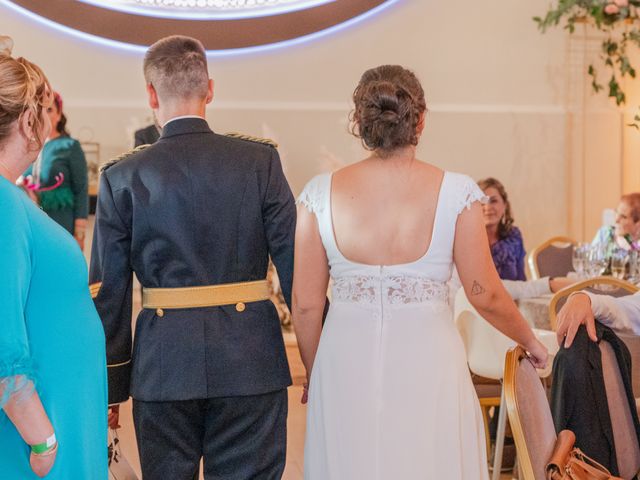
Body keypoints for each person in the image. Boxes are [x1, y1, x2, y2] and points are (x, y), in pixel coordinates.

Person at [292, 65, 547, 479]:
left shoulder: (317, 195)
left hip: (343, 360)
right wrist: (530, 340)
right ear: (421, 120)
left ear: (359, 122)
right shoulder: (457, 192)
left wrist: (315, 372)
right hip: (428, 360)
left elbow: (305, 305)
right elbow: (485, 292)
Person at [90, 35, 295, 480]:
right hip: (251, 363)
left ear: (150, 94)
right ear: (210, 89)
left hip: (163, 368)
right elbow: (298, 269)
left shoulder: (122, 175)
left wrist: (110, 387)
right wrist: (320, 358)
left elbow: (110, 293)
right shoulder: (260, 162)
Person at [0, 40, 107, 479]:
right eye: (45, 110)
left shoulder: (13, 196)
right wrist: (41, 436)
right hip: (38, 437)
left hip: (58, 415)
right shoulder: (4, 202)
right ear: (29, 119)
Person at [23, 91, 89, 249]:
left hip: (61, 220)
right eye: (40, 109)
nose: (43, 114)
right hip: (36, 220)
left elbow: (81, 189)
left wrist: (79, 234)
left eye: (49, 110)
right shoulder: (31, 145)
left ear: (59, 115)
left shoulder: (70, 146)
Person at [478, 177, 526, 280]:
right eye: (482, 202)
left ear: (504, 205)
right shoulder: (467, 240)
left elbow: (521, 280)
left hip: (513, 296)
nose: (488, 207)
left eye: (493, 201)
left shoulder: (514, 236)